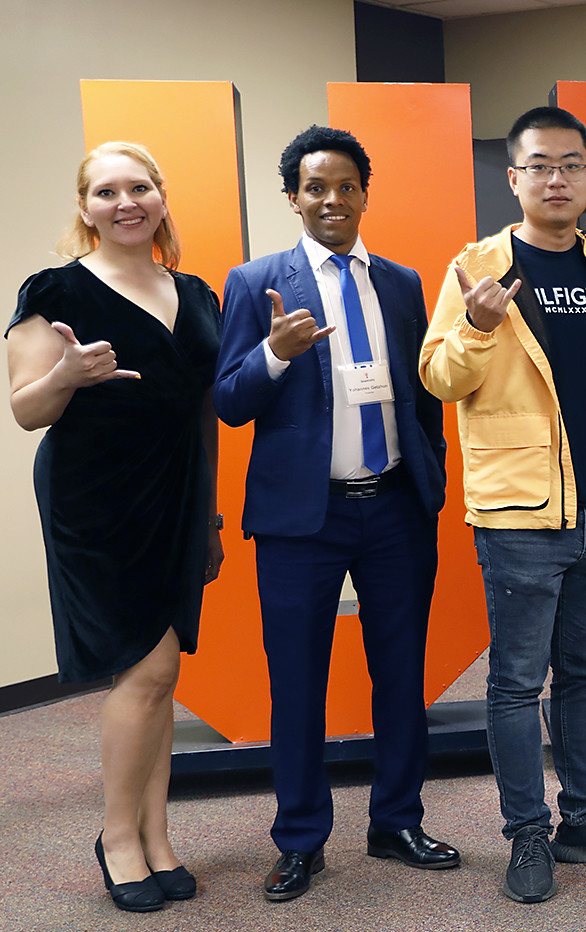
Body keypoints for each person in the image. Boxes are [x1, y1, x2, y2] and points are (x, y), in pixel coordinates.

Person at [420, 105, 586, 905]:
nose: (557, 179)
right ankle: (527, 833)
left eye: (572, 165)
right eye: (540, 166)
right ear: (514, 178)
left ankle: (585, 818)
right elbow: (439, 379)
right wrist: (478, 329)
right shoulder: (475, 266)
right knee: (517, 683)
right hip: (518, 514)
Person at [214, 126, 457, 902]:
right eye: (315, 187)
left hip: (392, 511)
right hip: (300, 522)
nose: (331, 199)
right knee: (297, 682)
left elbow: (422, 396)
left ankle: (396, 821)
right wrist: (276, 354)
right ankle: (299, 840)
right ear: (293, 198)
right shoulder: (256, 283)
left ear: (363, 194)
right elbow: (228, 401)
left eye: (346, 186)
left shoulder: (400, 280)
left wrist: (431, 480)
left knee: (400, 675)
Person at [5, 142, 223, 912]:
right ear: (85, 206)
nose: (124, 202)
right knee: (147, 669)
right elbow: (27, 408)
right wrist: (67, 374)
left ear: (162, 196)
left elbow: (203, 409)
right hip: (94, 503)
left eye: (139, 187)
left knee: (162, 677)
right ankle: (117, 836)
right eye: (106, 192)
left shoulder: (196, 293)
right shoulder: (56, 290)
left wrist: (211, 515)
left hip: (179, 496)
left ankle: (156, 834)